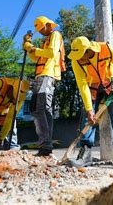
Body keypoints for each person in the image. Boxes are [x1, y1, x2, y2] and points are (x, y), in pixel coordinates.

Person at [67, 36, 113, 166]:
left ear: (88, 50)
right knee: (87, 118)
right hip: (92, 88)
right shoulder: (76, 61)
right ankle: (86, 153)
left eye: (80, 54)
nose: (78, 58)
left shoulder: (105, 49)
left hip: (110, 85)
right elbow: (82, 85)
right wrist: (90, 109)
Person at [23, 16, 66, 156]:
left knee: (41, 108)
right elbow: (36, 58)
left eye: (42, 28)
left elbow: (52, 53)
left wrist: (33, 47)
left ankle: (45, 145)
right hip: (41, 75)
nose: (40, 32)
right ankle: (45, 144)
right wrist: (29, 48)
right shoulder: (46, 40)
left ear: (48, 25)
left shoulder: (55, 34)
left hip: (48, 74)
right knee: (38, 109)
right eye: (38, 30)